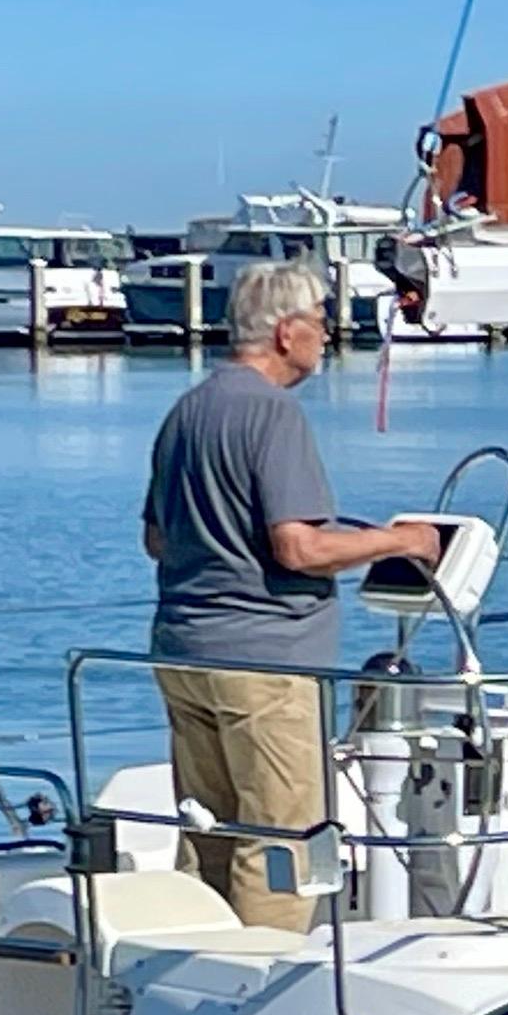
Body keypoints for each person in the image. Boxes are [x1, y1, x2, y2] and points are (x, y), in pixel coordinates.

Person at [141, 262, 434, 928]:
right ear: (286, 332)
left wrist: (218, 546)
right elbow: (297, 548)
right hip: (266, 662)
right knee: (281, 837)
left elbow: (157, 539)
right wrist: (401, 541)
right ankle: (264, 971)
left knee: (208, 829)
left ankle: (197, 957)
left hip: (185, 650)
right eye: (321, 322)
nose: (328, 336)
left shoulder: (187, 412)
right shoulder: (272, 414)